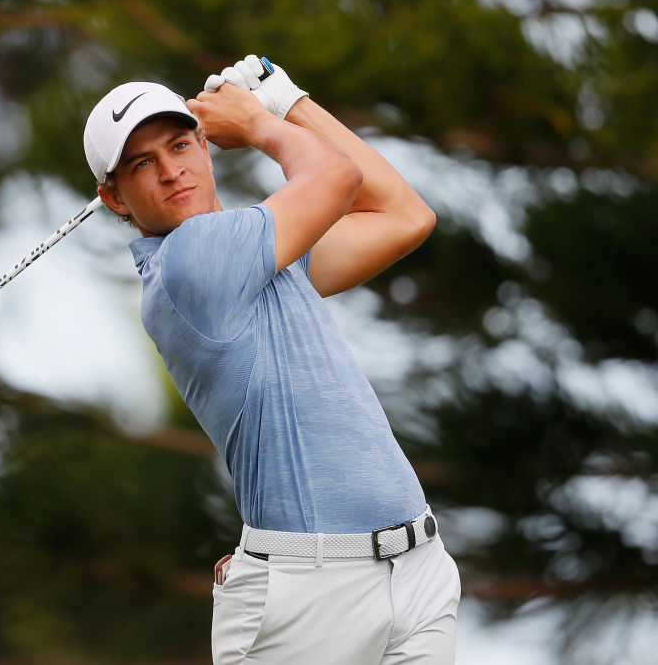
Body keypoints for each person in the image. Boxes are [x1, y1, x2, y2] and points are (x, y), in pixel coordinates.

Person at [83, 55, 461, 664]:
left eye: (180, 145)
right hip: (309, 597)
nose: (171, 171)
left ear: (206, 150)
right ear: (114, 197)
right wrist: (262, 122)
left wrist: (289, 101)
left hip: (417, 570)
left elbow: (405, 215)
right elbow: (336, 179)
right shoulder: (191, 263)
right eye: (141, 164)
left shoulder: (266, 253)